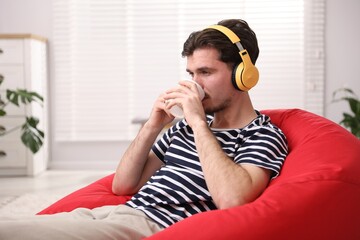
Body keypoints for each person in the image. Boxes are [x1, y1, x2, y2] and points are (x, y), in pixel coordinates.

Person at [0, 19, 288, 240]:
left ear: (243, 76)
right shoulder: (183, 130)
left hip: (149, 227)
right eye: (191, 73)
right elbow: (122, 185)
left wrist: (199, 122)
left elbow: (232, 199)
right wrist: (153, 125)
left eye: (206, 72)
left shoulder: (261, 135)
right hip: (113, 215)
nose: (194, 84)